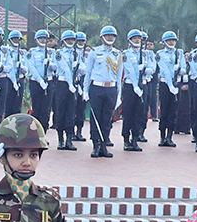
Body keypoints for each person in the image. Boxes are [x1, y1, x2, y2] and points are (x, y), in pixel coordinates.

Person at [83, 26, 123, 158]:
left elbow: (118, 76)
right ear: (102, 37)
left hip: (111, 88)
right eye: (107, 35)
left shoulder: (118, 54)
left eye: (112, 36)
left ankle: (104, 146)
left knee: (107, 119)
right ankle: (95, 146)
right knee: (96, 118)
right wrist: (85, 90)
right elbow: (88, 72)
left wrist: (119, 94)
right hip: (97, 88)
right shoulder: (94, 52)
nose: (110, 37)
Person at [156, 31, 187, 147]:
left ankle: (169, 137)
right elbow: (163, 69)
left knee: (173, 111)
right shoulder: (160, 54)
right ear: (164, 42)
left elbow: (184, 67)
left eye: (173, 40)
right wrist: (170, 85)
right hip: (165, 84)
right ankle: (162, 136)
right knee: (164, 110)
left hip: (176, 84)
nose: (171, 42)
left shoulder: (179, 53)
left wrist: (180, 69)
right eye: (169, 40)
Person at [121, 29, 148, 152]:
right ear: (130, 40)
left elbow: (152, 67)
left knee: (139, 113)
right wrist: (135, 85)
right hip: (130, 86)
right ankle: (126, 139)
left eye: (139, 38)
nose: (137, 40)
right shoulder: (126, 54)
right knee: (128, 113)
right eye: (135, 38)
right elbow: (130, 70)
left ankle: (135, 139)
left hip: (142, 86)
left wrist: (147, 70)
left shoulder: (145, 54)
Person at [52, 30, 78, 150]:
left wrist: (80, 68)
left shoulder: (76, 53)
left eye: (72, 39)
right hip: (62, 83)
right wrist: (70, 83)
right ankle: (60, 139)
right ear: (63, 41)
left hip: (73, 84)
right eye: (68, 40)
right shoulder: (59, 53)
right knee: (60, 110)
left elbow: (82, 67)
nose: (70, 42)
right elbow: (65, 69)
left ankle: (69, 139)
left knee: (71, 112)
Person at [27, 29, 55, 133]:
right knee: (36, 109)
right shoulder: (32, 52)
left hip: (49, 82)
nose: (43, 40)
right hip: (36, 82)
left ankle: (43, 133)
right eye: (41, 38)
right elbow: (32, 68)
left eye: (45, 38)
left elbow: (57, 68)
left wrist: (51, 65)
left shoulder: (52, 52)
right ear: (36, 40)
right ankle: (35, 133)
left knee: (46, 110)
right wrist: (40, 81)